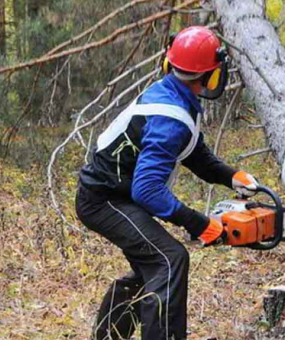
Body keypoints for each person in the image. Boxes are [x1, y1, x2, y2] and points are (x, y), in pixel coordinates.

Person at [75, 26, 259, 340]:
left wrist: (231, 176)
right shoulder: (170, 115)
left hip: (115, 194)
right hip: (103, 200)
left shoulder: (173, 94)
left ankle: (109, 336)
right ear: (212, 75)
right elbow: (147, 191)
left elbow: (193, 152)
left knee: (151, 268)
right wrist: (198, 223)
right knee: (169, 260)